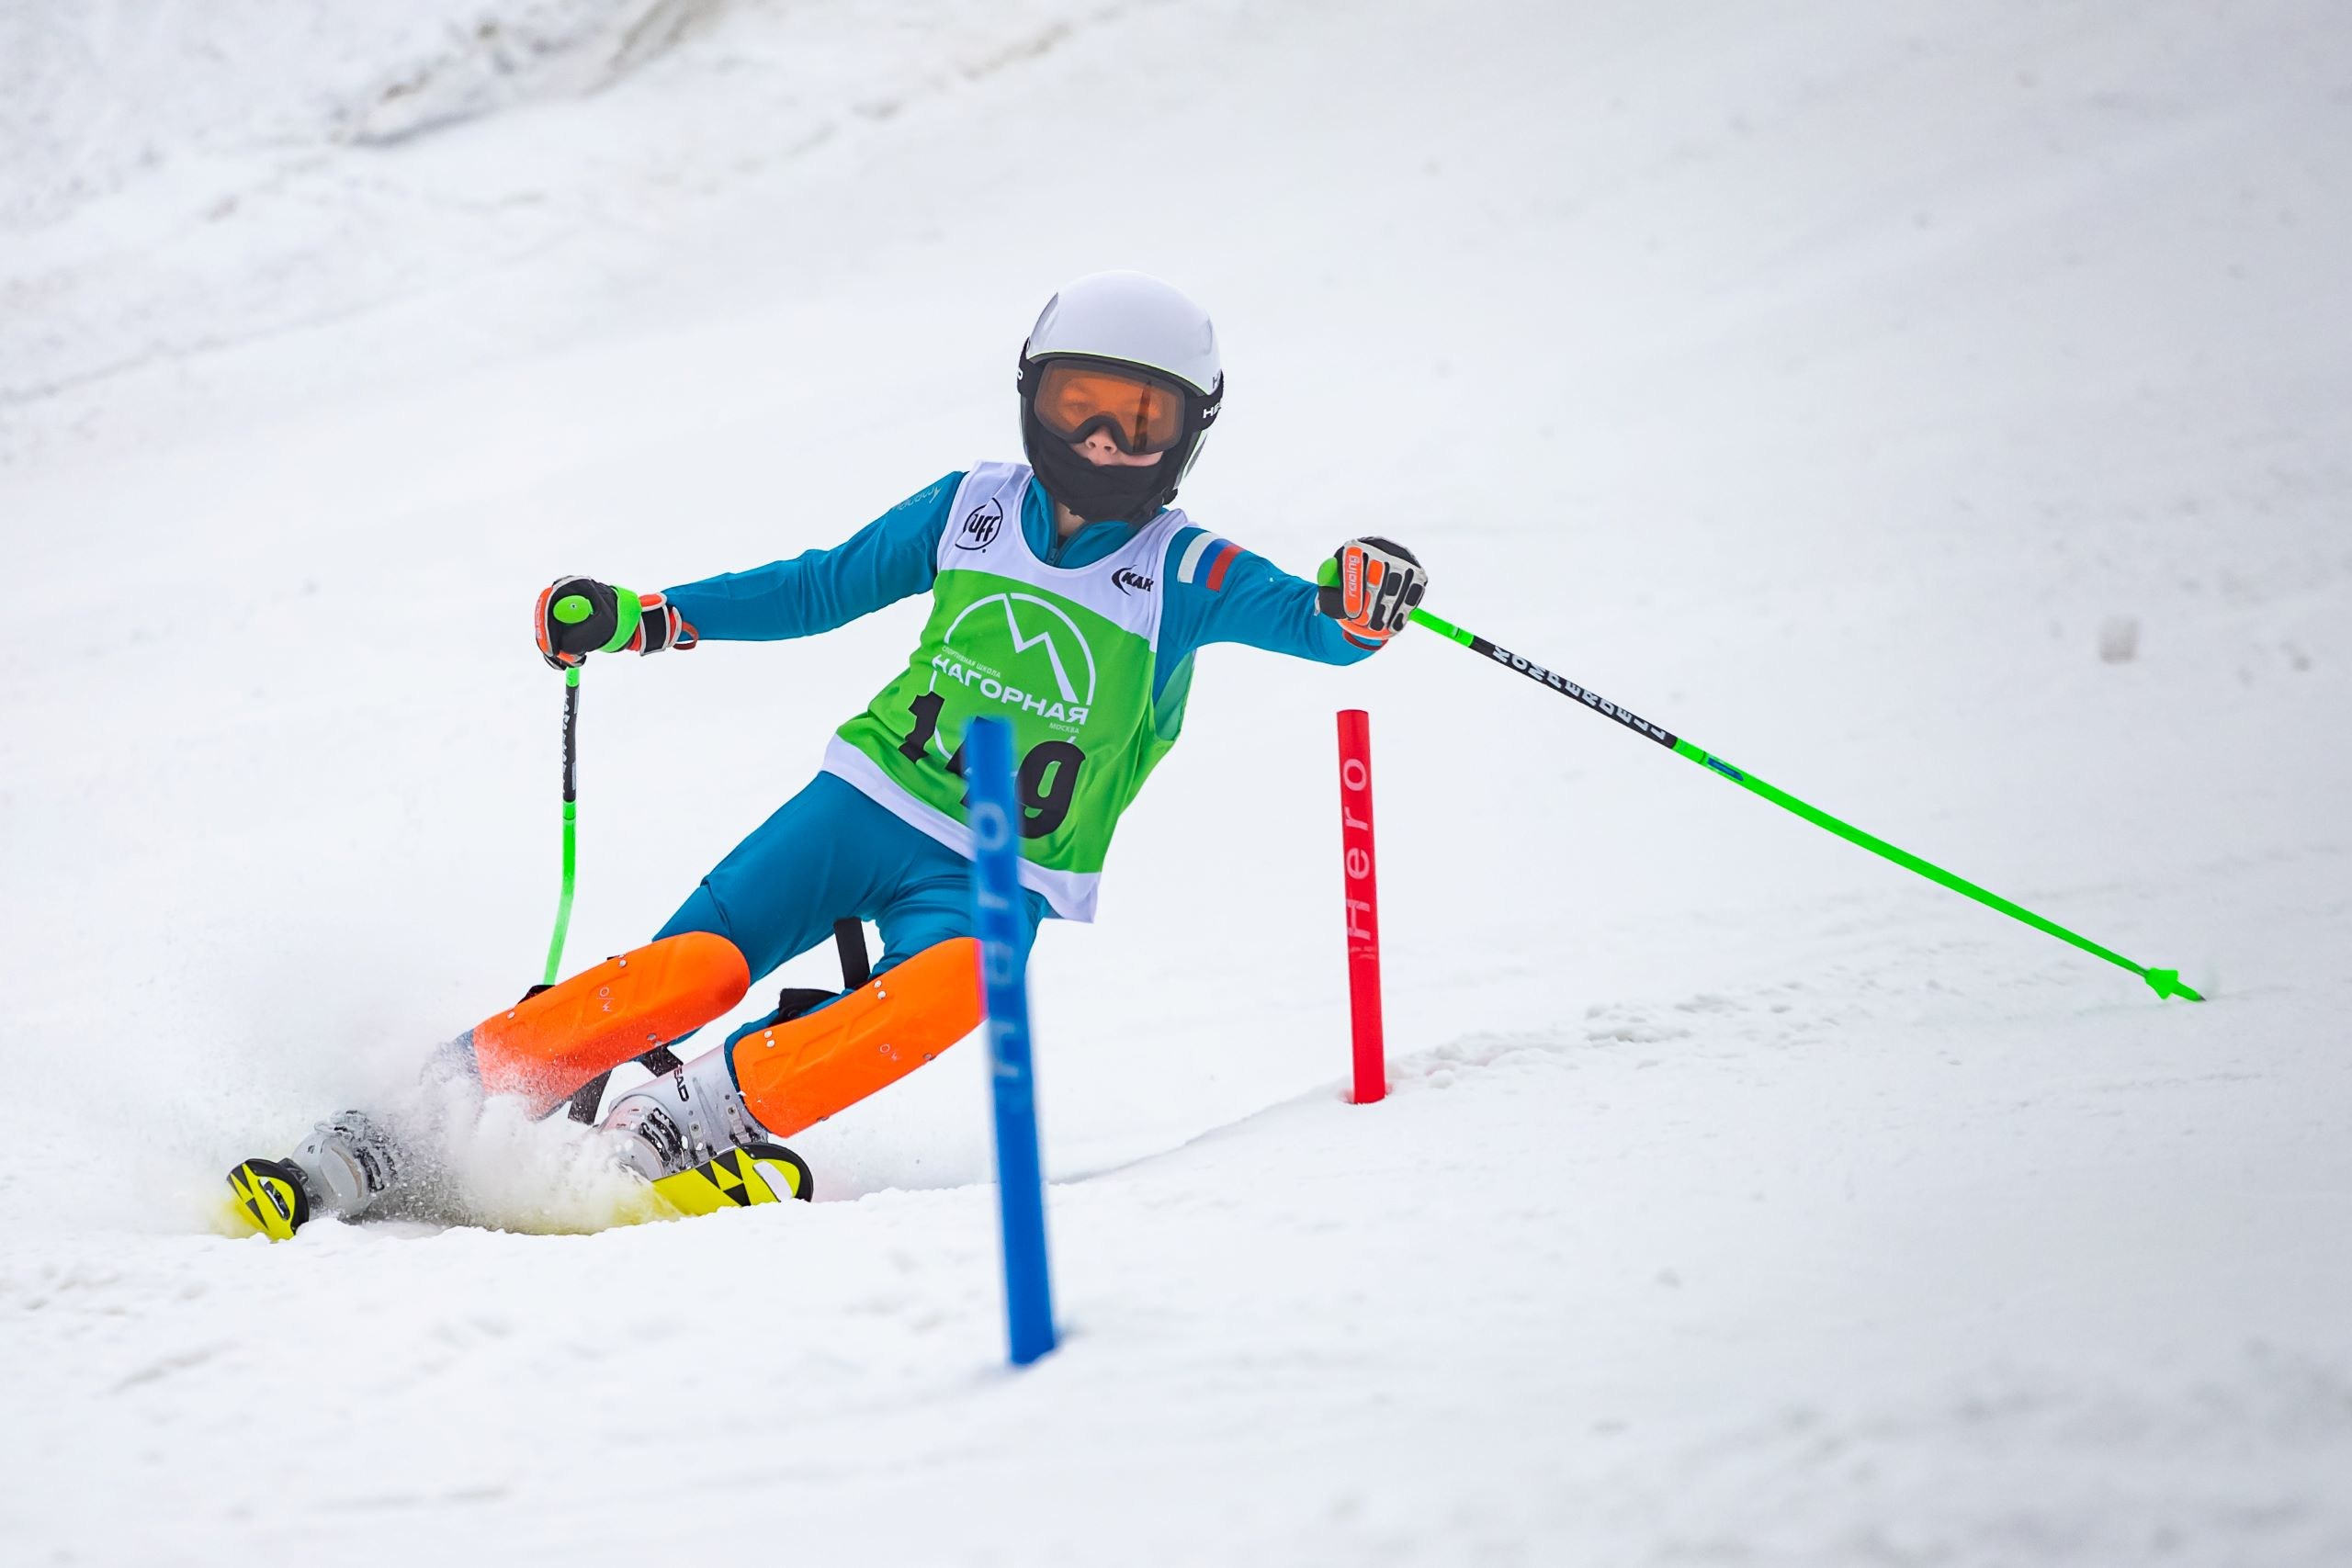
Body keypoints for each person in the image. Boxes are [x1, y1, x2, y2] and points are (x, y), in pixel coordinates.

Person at [225, 271, 1428, 1238]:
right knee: (688, 973)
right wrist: (653, 616)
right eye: (1081, 405)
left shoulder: (1186, 569)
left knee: (970, 985)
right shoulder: (976, 508)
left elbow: (1320, 626)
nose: (1109, 438)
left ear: (1187, 436)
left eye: (1145, 418)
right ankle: (395, 1129)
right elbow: (819, 588)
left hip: (996, 870)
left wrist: (1363, 597)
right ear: (1033, 396)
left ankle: (681, 1125)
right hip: (858, 803)